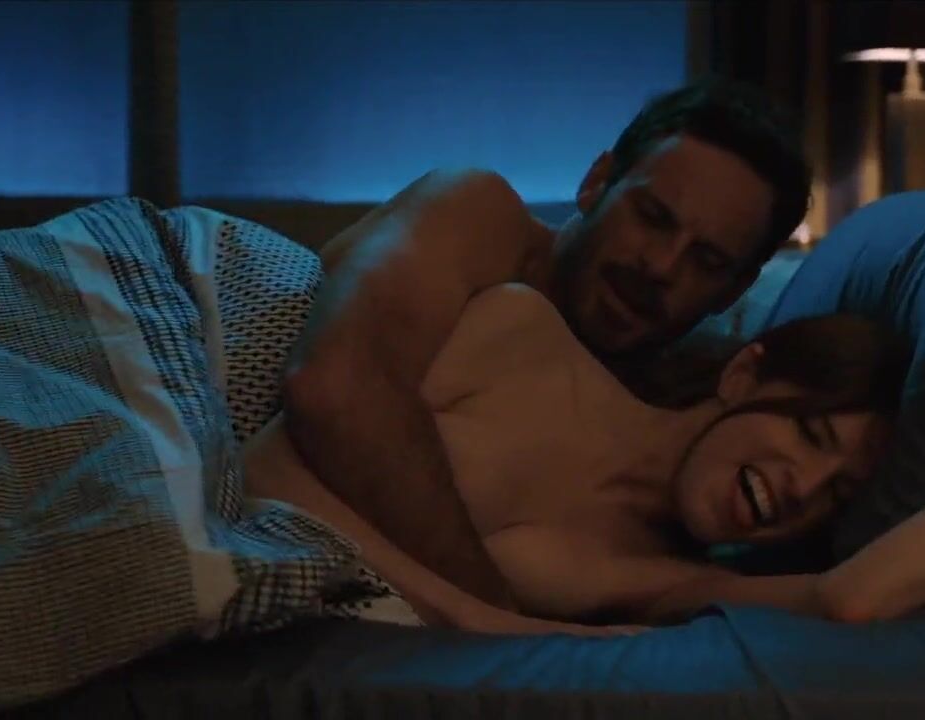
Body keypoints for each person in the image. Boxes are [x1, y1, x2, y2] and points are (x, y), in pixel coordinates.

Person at [249, 281, 925, 636]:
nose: (802, 489)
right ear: (745, 374)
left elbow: (849, 598)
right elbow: (271, 467)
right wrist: (485, 619)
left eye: (836, 495)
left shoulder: (656, 582)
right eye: (810, 436)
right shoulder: (521, 333)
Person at [281, 78, 812, 613]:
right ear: (596, 183)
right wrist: (492, 612)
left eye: (707, 261)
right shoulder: (478, 218)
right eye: (652, 217)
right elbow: (335, 388)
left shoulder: (658, 401)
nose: (661, 266)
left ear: (734, 291)